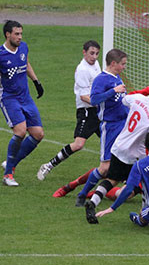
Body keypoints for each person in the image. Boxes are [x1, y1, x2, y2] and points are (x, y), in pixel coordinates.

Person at [84, 77, 149, 224]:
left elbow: (125, 99)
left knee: (111, 180)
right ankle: (144, 215)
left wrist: (143, 91)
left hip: (118, 146)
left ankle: (93, 202)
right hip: (134, 154)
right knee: (145, 182)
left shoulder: (137, 98)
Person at [0, 20, 45, 186]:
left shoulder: (23, 47)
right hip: (9, 98)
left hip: (26, 98)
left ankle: (10, 162)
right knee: (20, 131)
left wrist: (36, 82)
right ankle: (8, 175)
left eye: (21, 33)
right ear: (8, 34)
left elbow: (26, 64)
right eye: (16, 34)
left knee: (38, 135)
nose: (20, 37)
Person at [37, 40, 102, 185]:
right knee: (79, 144)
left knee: (112, 141)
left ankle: (119, 175)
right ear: (84, 52)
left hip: (98, 111)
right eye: (91, 53)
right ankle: (49, 165)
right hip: (87, 112)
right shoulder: (83, 70)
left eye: (97, 53)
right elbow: (84, 97)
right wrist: (104, 100)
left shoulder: (95, 64)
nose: (95, 57)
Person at [72, 49, 129, 206]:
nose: (124, 67)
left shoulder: (116, 77)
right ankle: (83, 194)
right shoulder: (101, 80)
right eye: (122, 64)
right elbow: (95, 99)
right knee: (105, 168)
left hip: (123, 126)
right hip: (110, 127)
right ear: (113, 63)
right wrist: (113, 91)